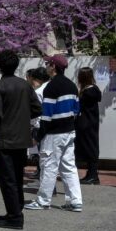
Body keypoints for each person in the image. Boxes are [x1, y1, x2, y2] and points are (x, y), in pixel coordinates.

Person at [0, 50, 42, 229]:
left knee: (6, 178)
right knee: (17, 176)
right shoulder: (25, 85)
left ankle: (15, 216)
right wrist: (22, 117)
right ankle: (15, 209)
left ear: (0, 66)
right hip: (21, 139)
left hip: (4, 139)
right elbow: (37, 109)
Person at [26, 54, 83, 212]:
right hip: (69, 131)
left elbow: (46, 116)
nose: (46, 66)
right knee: (69, 166)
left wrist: (38, 136)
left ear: (53, 66)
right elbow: (77, 110)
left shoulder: (51, 87)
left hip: (53, 133)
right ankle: (75, 201)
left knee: (49, 166)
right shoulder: (71, 85)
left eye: (48, 63)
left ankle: (43, 200)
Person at [76, 67, 103, 184]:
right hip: (89, 123)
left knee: (91, 148)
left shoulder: (88, 92)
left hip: (86, 124)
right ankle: (91, 174)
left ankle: (93, 175)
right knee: (90, 148)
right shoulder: (91, 89)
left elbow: (79, 106)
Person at [24, 67, 50, 183]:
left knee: (43, 158)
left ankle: (46, 186)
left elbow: (37, 112)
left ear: (35, 79)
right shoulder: (51, 87)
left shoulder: (38, 92)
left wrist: (31, 125)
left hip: (40, 127)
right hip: (53, 127)